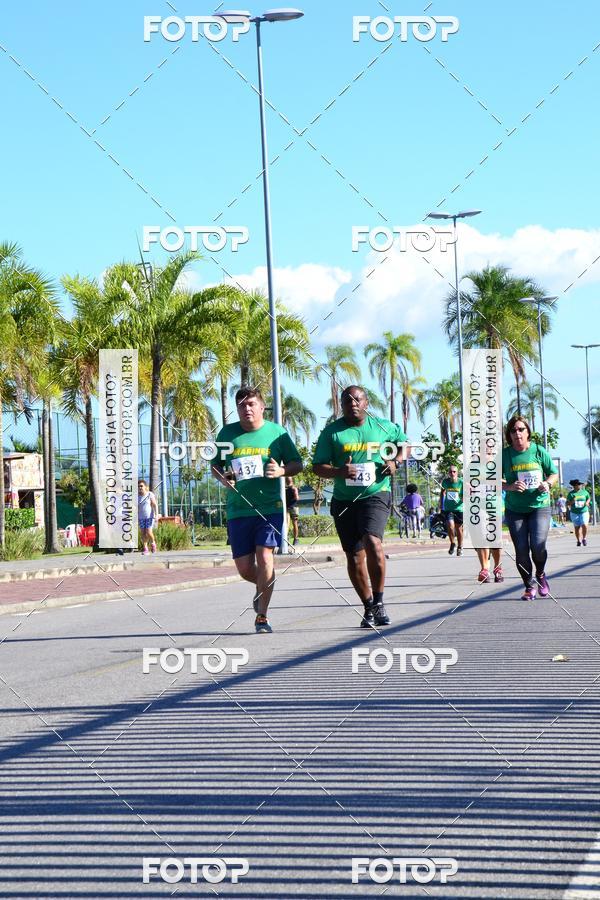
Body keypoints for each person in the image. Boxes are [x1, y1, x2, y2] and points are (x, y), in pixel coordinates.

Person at [312, 385, 407, 628]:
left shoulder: (383, 426)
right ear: (341, 405)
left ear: (366, 402)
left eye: (357, 399)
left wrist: (395, 462)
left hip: (375, 494)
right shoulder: (332, 433)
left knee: (372, 541)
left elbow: (403, 445)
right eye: (347, 400)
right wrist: (338, 471)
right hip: (344, 500)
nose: (352, 403)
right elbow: (318, 466)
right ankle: (368, 607)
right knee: (354, 557)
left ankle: (380, 601)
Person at [213, 387, 303, 633]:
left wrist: (282, 471)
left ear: (262, 406)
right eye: (242, 405)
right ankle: (262, 589)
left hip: (269, 508)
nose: (247, 409)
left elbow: (297, 463)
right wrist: (224, 479)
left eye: (251, 403)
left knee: (265, 558)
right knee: (245, 570)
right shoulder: (228, 434)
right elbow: (216, 466)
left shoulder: (277, 434)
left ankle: (262, 616)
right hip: (238, 509)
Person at [502, 415, 558, 601]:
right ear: (509, 435)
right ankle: (528, 586)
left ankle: (540, 574)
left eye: (521, 429)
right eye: (513, 430)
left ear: (528, 432)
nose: (517, 433)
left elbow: (553, 473)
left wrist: (547, 484)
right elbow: (490, 479)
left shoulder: (538, 451)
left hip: (539, 506)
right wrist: (510, 486)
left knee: (538, 546)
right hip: (515, 509)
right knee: (521, 549)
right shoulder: (504, 455)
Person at [440, 465, 464, 556]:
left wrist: (462, 499)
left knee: (459, 529)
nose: (452, 473)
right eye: (450, 472)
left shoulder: (461, 482)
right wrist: (441, 505)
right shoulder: (445, 482)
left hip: (459, 508)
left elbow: (465, 494)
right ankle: (452, 543)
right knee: (450, 526)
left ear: (457, 473)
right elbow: (442, 493)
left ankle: (460, 546)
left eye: (454, 471)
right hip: (448, 508)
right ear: (448, 473)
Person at [567, 478, 591, 546]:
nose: (580, 486)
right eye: (578, 484)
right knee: (577, 528)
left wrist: (587, 502)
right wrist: (572, 501)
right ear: (575, 486)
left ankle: (584, 538)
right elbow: (567, 503)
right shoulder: (571, 494)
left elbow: (588, 498)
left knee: (585, 525)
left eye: (580, 484)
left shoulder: (584, 492)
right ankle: (578, 540)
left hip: (584, 511)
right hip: (574, 513)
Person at [138, 480, 159, 555]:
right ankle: (145, 549)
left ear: (145, 487)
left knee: (149, 531)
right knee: (143, 533)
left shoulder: (150, 494)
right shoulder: (137, 496)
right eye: (139, 486)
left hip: (149, 517)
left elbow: (154, 505)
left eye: (141, 486)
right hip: (141, 517)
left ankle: (153, 543)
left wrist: (156, 515)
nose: (140, 487)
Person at [285, 476, 300, 547]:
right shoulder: (293, 488)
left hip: (289, 507)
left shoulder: (286, 489)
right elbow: (297, 498)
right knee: (294, 523)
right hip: (293, 507)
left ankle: (289, 539)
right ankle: (295, 539)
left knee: (288, 524)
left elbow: (297, 497)